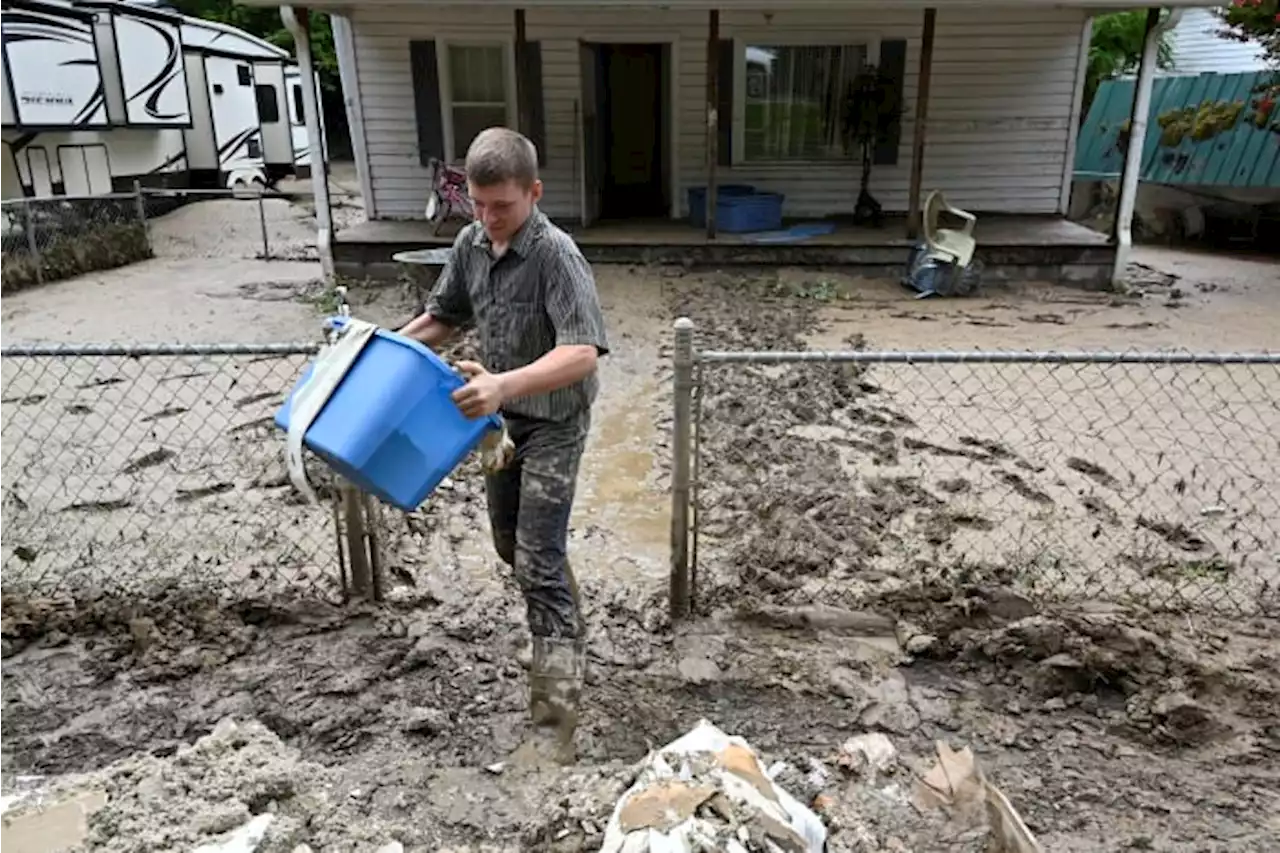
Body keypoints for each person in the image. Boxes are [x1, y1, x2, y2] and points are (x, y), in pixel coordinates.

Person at [398, 127, 608, 764]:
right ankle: (567, 627)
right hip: (499, 424)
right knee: (510, 547)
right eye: (479, 205)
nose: (489, 219)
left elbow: (582, 351)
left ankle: (554, 718)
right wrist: (378, 353)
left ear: (534, 193)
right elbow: (443, 316)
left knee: (538, 560)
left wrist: (502, 385)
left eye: (503, 207)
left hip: (552, 422)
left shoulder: (556, 255)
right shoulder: (469, 243)